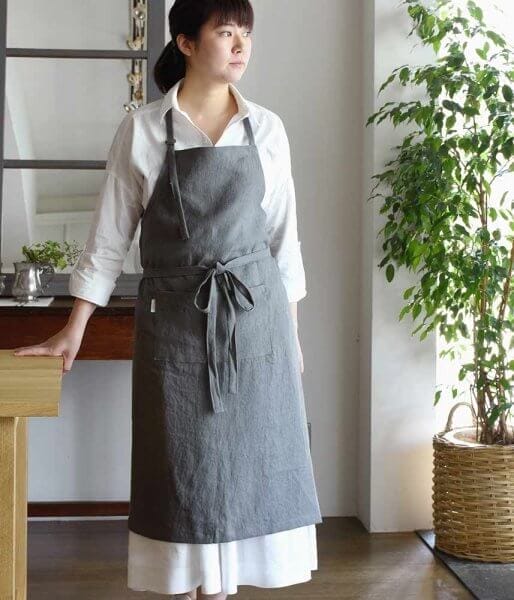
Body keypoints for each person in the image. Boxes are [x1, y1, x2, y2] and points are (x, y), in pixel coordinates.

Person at [13, 0, 323, 597]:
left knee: (252, 466)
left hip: (257, 324)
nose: (241, 46)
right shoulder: (145, 129)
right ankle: (197, 587)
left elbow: (284, 243)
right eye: (225, 32)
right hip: (176, 322)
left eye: (246, 34)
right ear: (186, 42)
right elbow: (109, 239)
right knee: (186, 468)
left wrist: (292, 334)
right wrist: (73, 328)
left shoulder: (267, 128)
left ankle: (225, 589)